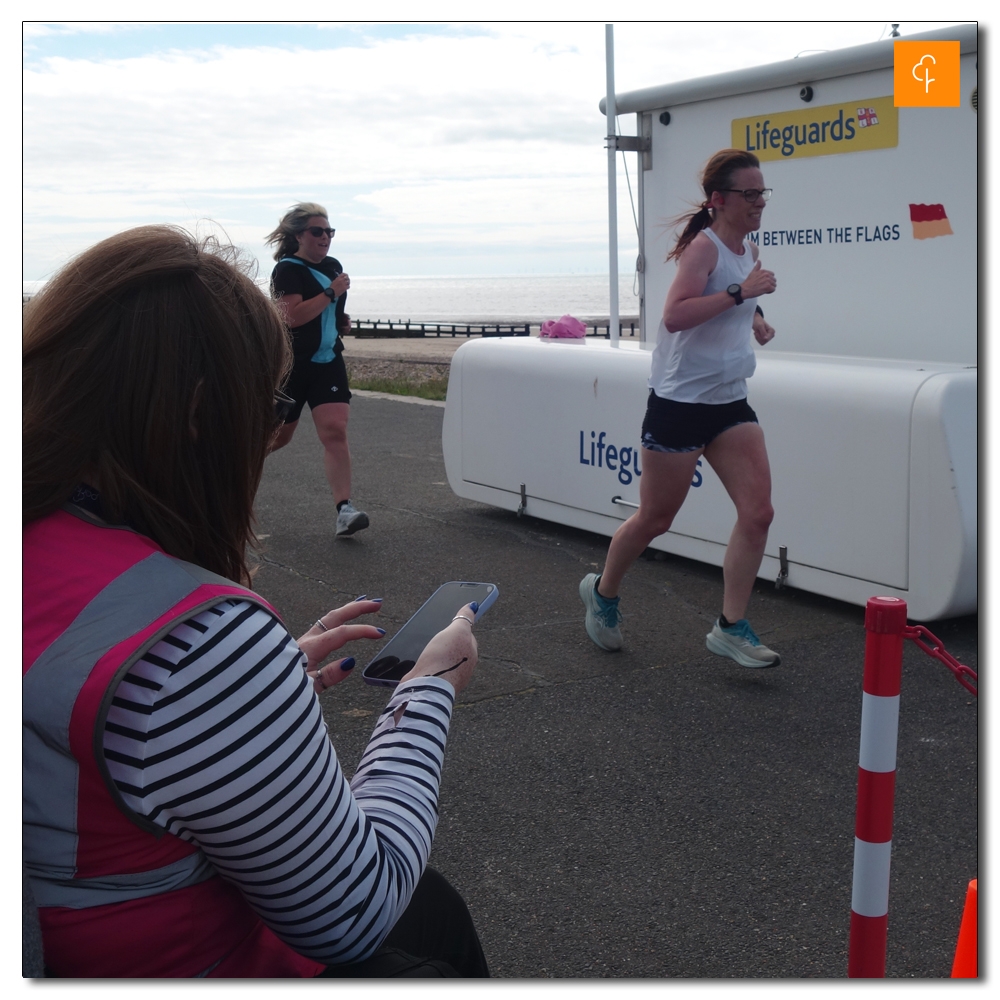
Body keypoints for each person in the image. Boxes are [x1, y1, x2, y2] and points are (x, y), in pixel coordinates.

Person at [22, 226, 489, 978]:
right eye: (266, 401)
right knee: (418, 926)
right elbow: (352, 912)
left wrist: (252, 688)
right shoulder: (198, 643)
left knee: (432, 906)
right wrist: (425, 693)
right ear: (206, 411)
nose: (269, 425)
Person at [579, 149, 781, 668]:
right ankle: (602, 593)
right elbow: (674, 316)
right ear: (719, 200)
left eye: (763, 192)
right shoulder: (704, 248)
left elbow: (733, 297)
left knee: (758, 513)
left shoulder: (744, 244)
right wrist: (743, 293)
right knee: (655, 519)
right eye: (750, 193)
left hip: (729, 399)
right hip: (680, 403)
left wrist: (753, 315)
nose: (760, 201)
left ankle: (731, 626)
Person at [265, 202, 368, 537]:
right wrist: (331, 292)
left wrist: (341, 321)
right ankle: (231, 473)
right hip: (293, 365)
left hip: (328, 361)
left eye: (329, 231)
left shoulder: (333, 265)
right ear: (298, 235)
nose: (325, 237)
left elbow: (330, 312)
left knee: (335, 430)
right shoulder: (286, 271)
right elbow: (290, 317)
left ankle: (344, 511)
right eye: (317, 231)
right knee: (278, 437)